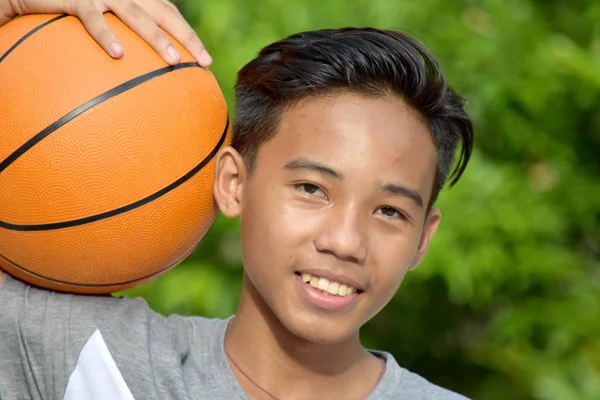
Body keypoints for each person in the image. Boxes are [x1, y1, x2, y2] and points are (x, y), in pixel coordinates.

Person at [0, 0, 474, 399]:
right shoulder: (87, 357)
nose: (345, 241)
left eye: (390, 211)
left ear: (422, 239)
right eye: (312, 189)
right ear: (233, 183)